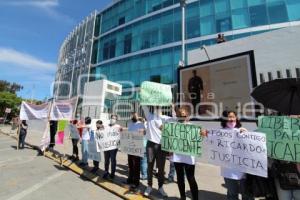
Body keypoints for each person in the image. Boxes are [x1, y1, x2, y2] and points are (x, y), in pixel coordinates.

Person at [171, 107, 206, 200]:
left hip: (189, 158)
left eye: (184, 116)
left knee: (191, 178)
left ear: (188, 117)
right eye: (179, 116)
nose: (182, 118)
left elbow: (199, 140)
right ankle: (183, 196)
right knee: (180, 178)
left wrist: (202, 135)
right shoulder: (173, 126)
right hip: (177, 157)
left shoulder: (193, 127)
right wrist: (162, 129)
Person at [143, 105, 176, 198]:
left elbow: (175, 119)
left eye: (159, 107)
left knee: (161, 168)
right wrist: (143, 92)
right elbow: (143, 105)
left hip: (162, 146)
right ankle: (149, 186)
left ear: (161, 109)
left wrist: (172, 107)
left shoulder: (165, 118)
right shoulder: (149, 116)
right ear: (153, 108)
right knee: (150, 166)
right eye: (156, 107)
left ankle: (160, 187)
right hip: (150, 145)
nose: (157, 109)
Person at [220, 110, 254, 200]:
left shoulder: (242, 131)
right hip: (228, 170)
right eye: (228, 117)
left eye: (232, 116)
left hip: (243, 168)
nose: (231, 119)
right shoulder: (219, 132)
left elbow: (251, 147)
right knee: (232, 193)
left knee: (246, 193)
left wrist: (247, 134)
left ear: (236, 118)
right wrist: (204, 133)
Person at [126, 112, 146, 190]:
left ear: (138, 116)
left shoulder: (141, 124)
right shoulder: (130, 124)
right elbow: (128, 133)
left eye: (135, 115)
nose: (133, 116)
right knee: (130, 164)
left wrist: (142, 132)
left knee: (136, 165)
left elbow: (145, 132)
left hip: (137, 148)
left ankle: (136, 182)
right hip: (130, 147)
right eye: (132, 115)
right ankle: (130, 179)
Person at [103, 114, 122, 180]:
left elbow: (122, 132)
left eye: (114, 118)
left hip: (114, 147)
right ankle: (106, 171)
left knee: (113, 160)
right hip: (106, 146)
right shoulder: (106, 126)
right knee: (106, 160)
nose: (112, 119)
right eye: (112, 118)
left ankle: (112, 173)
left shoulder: (118, 126)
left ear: (116, 120)